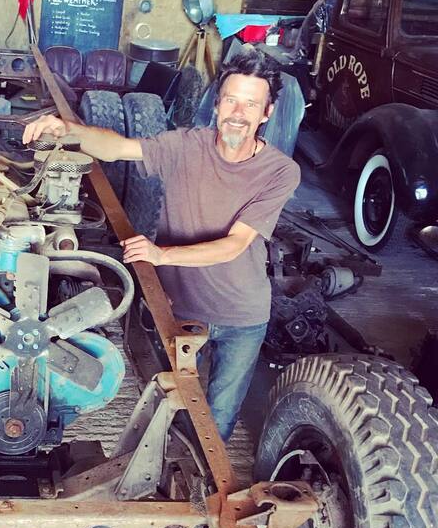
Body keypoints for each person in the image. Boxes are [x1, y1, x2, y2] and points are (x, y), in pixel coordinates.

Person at [23, 48, 300, 442]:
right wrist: (66, 129)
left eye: (251, 104)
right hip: (183, 307)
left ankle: (201, 492)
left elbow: (235, 244)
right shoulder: (186, 145)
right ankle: (167, 468)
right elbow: (117, 147)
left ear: (267, 112)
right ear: (217, 104)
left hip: (242, 314)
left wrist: (159, 254)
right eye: (231, 100)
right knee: (174, 401)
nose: (239, 113)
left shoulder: (280, 172)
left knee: (218, 416)